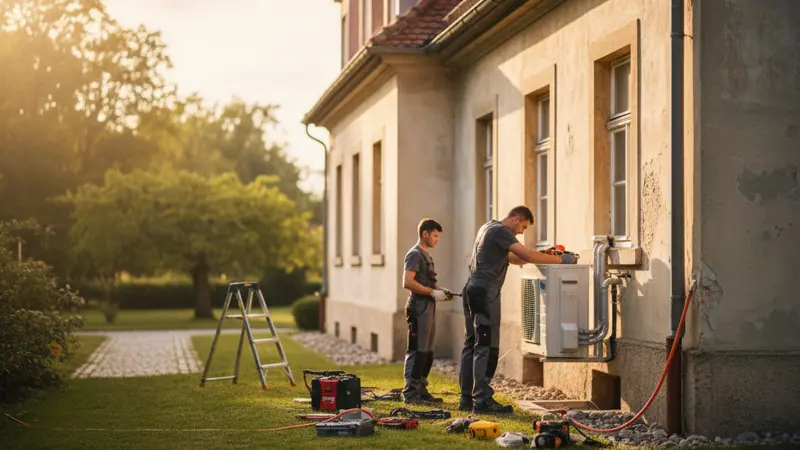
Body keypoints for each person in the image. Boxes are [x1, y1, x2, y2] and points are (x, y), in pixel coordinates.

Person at [459, 206, 579, 414]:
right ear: (516, 219)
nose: (522, 232)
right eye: (523, 226)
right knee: (486, 346)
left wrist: (545, 255)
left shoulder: (487, 227)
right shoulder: (502, 231)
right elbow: (526, 254)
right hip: (485, 294)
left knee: (472, 344)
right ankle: (482, 401)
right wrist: (561, 260)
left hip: (472, 290)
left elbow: (515, 258)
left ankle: (467, 399)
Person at [402, 218, 453, 405]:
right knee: (417, 350)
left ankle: (421, 389)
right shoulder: (414, 254)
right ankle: (411, 393)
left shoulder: (427, 256)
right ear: (425, 234)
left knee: (428, 351)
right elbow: (407, 282)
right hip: (418, 307)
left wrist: (440, 291)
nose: (437, 239)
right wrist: (432, 292)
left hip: (429, 308)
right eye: (435, 235)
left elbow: (428, 281)